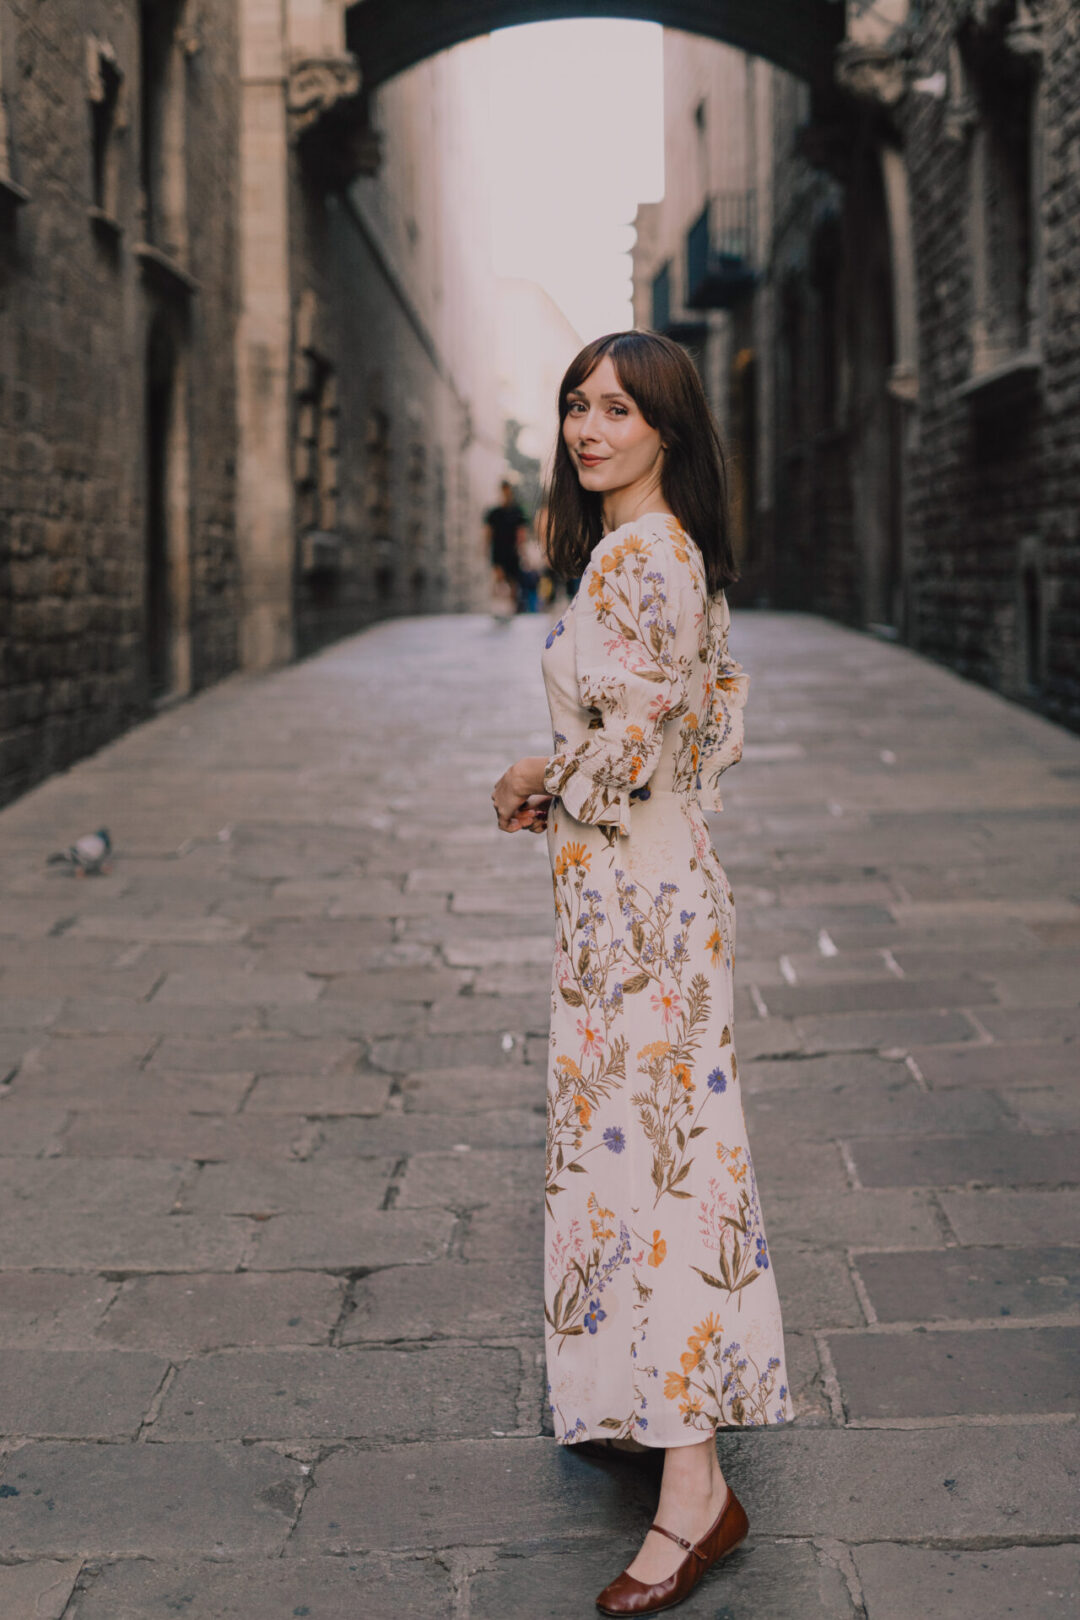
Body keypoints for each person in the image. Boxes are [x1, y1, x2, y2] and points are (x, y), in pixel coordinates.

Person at [492, 331, 792, 1617]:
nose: (588, 428)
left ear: (668, 426)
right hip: (662, 894)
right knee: (657, 1158)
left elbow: (623, 752)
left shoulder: (630, 559)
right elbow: (711, 713)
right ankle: (644, 1401)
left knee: (658, 1174)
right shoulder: (679, 557)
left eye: (618, 408)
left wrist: (533, 776)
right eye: (575, 404)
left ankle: (695, 1495)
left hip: (635, 917)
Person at [483, 479, 528, 617]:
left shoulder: (517, 511)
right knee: (498, 578)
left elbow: (521, 533)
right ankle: (496, 607)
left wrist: (522, 550)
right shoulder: (494, 512)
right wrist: (485, 548)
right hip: (498, 550)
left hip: (512, 551)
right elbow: (488, 532)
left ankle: (510, 609)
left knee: (513, 581)